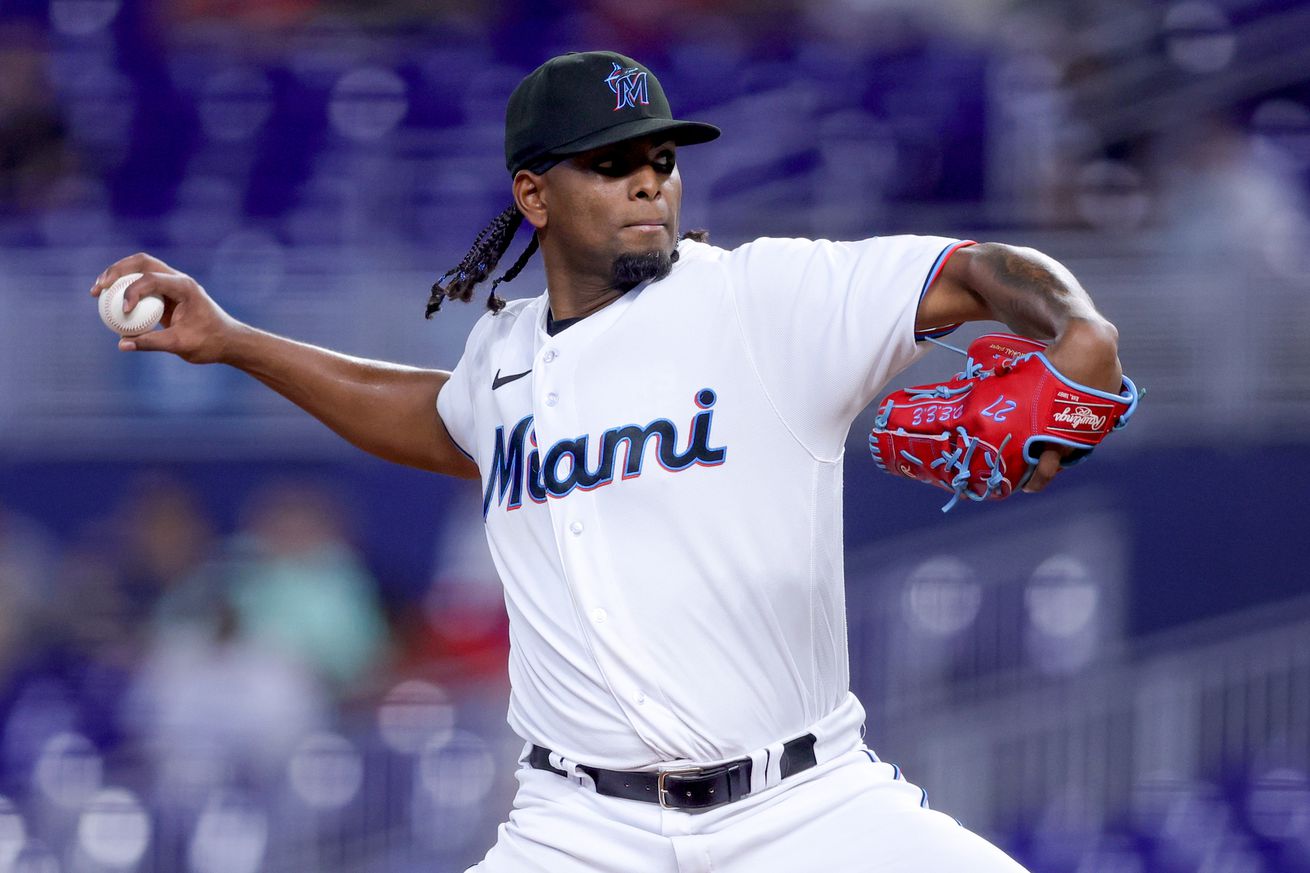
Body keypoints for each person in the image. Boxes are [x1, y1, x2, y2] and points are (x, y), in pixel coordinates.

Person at [91, 50, 1123, 873]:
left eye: (662, 160)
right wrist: (234, 341)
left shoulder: (764, 300)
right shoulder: (501, 354)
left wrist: (1078, 335)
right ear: (534, 196)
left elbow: (980, 271)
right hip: (579, 831)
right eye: (611, 162)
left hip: (806, 809)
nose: (647, 181)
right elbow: (434, 422)